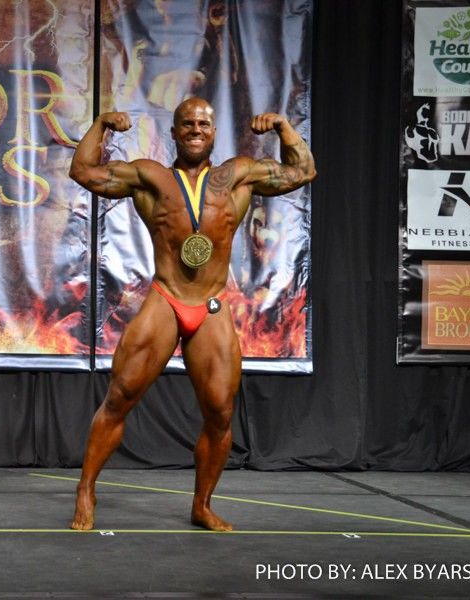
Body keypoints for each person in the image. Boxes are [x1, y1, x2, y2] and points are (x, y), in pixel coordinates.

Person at [68, 98, 315, 531]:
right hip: (166, 297)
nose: (195, 129)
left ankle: (202, 505)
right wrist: (102, 124)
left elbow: (303, 171)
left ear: (213, 131)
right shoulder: (151, 177)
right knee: (120, 397)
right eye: (187, 123)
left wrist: (282, 127)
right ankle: (86, 489)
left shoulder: (238, 175)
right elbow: (83, 171)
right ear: (175, 132)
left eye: (203, 123)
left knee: (220, 413)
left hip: (212, 304)